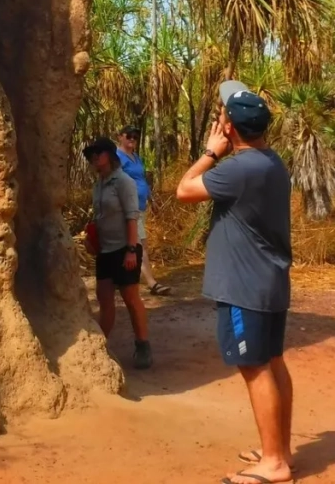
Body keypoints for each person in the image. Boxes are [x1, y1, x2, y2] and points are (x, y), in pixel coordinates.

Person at [176, 81, 293, 484]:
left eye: (223, 115)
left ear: (230, 129)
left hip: (245, 287)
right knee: (273, 363)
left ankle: (274, 463)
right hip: (268, 282)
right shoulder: (271, 161)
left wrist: (211, 152)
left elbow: (184, 190)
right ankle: (280, 447)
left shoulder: (239, 169)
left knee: (254, 368)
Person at [83, 136, 152, 370]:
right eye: (91, 154)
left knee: (131, 298)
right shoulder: (98, 185)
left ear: (110, 156)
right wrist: (92, 240)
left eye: (98, 153)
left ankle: (143, 345)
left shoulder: (123, 182)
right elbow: (99, 217)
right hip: (106, 251)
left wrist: (132, 250)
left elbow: (132, 217)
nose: (94, 157)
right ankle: (101, 347)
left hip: (125, 249)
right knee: (104, 299)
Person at [116, 126, 171, 296]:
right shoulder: (117, 157)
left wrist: (151, 199)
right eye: (129, 136)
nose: (132, 139)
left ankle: (122, 279)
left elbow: (142, 180)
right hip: (129, 208)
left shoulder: (135, 157)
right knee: (140, 245)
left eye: (135, 136)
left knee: (133, 245)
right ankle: (152, 283)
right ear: (120, 137)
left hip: (140, 206)